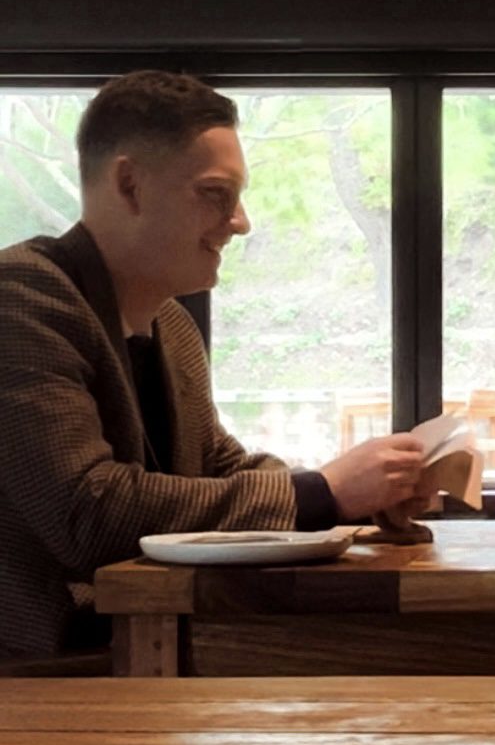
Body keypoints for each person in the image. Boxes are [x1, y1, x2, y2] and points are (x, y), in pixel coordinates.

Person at [0, 71, 430, 659]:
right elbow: (86, 512)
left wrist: (357, 495)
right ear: (129, 185)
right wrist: (324, 494)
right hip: (38, 676)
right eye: (215, 193)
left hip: (152, 646)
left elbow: (220, 467)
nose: (241, 221)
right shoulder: (22, 298)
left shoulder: (170, 324)